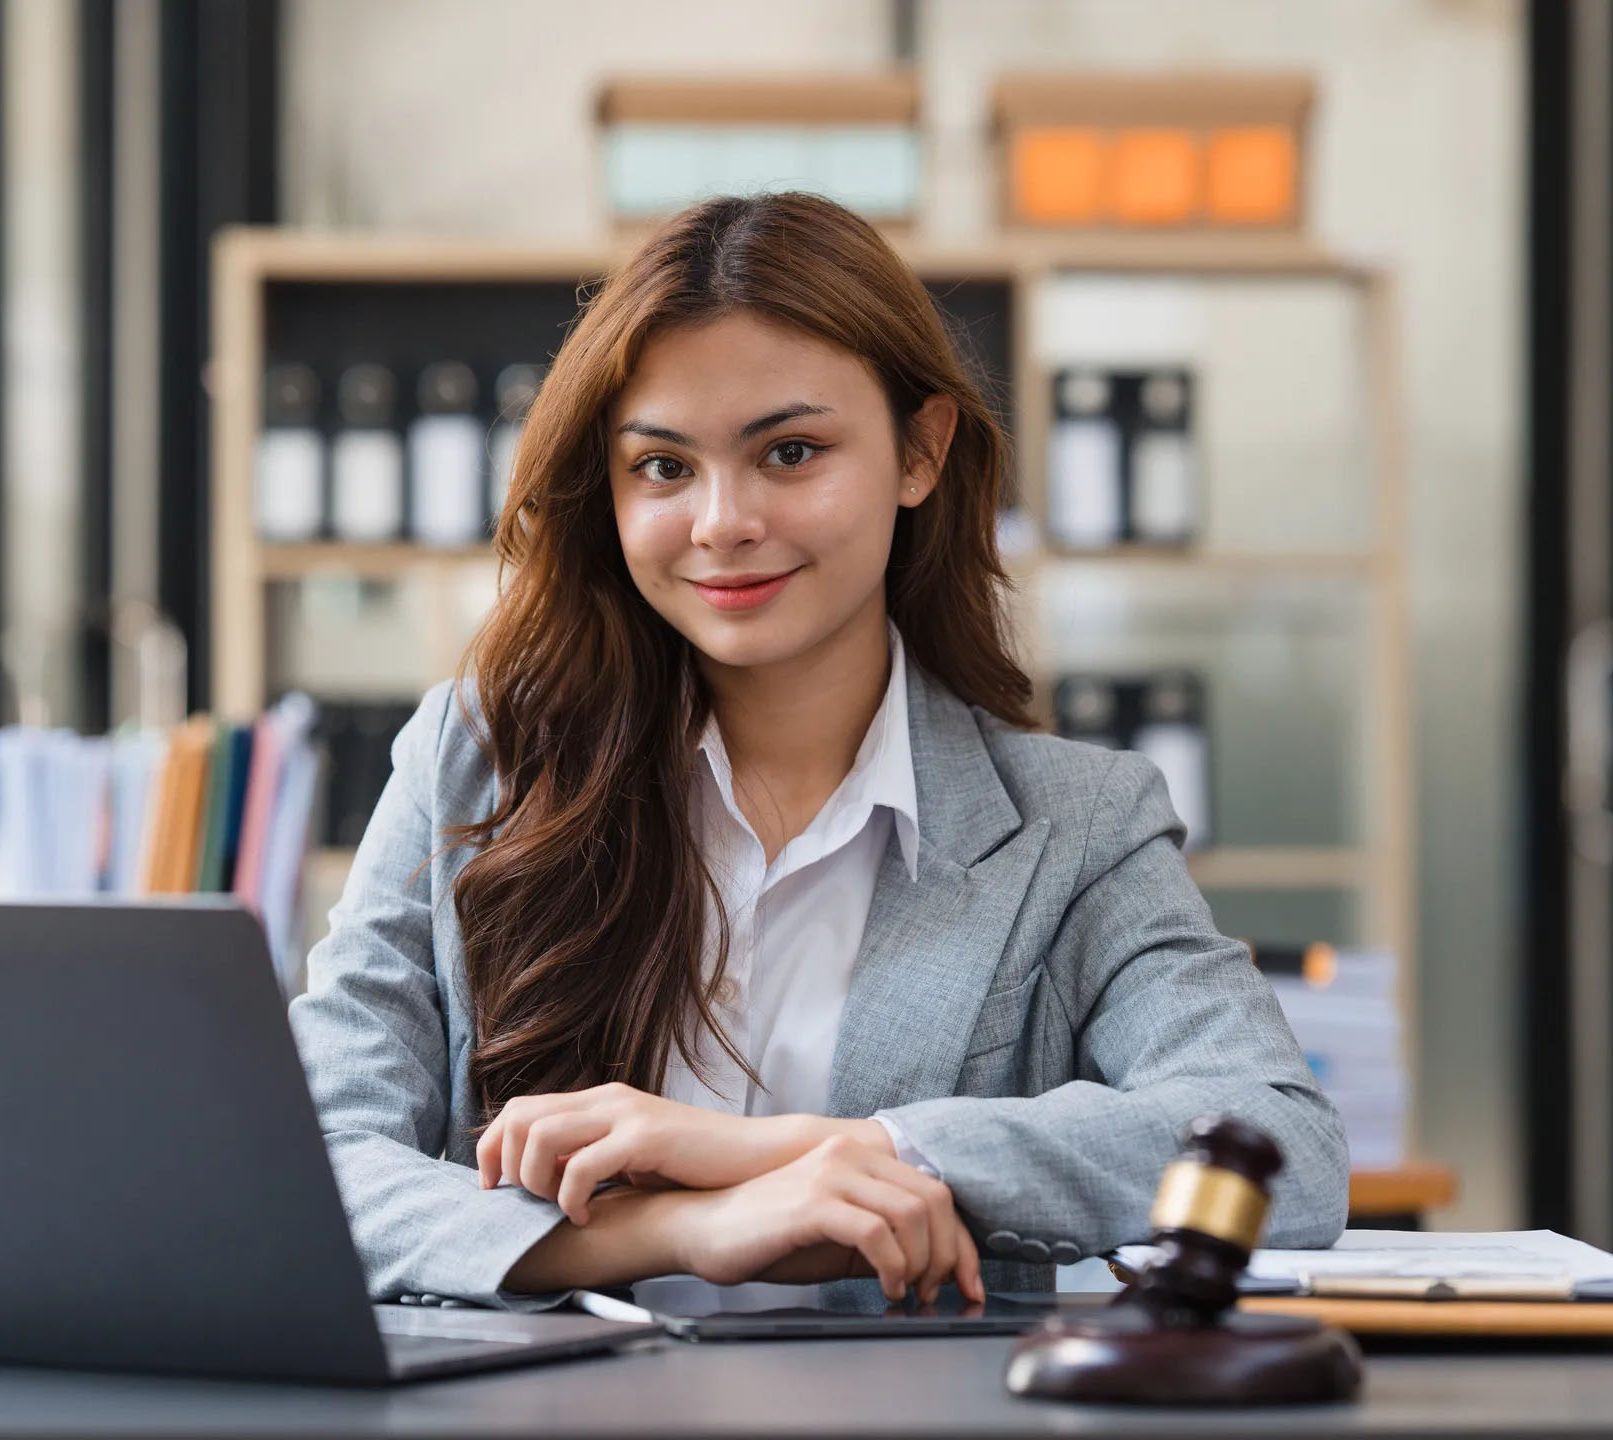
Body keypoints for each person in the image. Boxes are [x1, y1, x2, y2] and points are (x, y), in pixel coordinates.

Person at [288, 192, 1348, 1312]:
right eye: (662, 467)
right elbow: (310, 1162)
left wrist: (826, 1150)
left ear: (920, 451)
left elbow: (1281, 1143)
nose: (722, 521)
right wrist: (686, 1228)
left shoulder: (1076, 825)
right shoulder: (477, 761)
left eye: (790, 452)